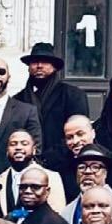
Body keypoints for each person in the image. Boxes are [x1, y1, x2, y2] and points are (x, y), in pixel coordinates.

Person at [14, 43, 89, 172]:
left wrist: (47, 159)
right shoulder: (17, 100)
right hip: (26, 168)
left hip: (65, 166)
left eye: (45, 62)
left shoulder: (73, 95)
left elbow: (78, 133)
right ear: (29, 67)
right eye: (35, 62)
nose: (39, 66)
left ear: (54, 66)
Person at [58, 115, 112, 203]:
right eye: (69, 137)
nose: (75, 141)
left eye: (80, 134)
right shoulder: (63, 169)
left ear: (93, 133)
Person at [0, 130, 66, 214]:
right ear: (7, 151)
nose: (18, 147)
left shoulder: (52, 177)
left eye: (24, 144)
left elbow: (58, 211)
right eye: (13, 144)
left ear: (34, 150)